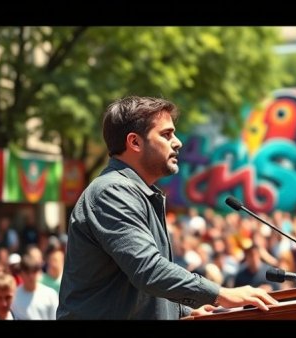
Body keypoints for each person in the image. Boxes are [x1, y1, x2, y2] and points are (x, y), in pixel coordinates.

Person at [57, 96, 278, 320]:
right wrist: (221, 294)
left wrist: (185, 310)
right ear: (134, 142)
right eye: (166, 134)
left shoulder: (136, 191)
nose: (177, 142)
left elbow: (139, 288)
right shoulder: (112, 192)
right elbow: (149, 271)